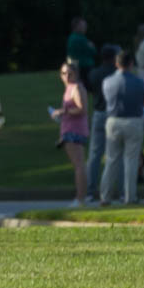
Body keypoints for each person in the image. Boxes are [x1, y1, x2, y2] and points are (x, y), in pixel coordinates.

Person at [98, 50, 144, 205]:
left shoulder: (107, 81)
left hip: (113, 121)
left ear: (116, 63)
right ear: (131, 64)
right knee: (131, 161)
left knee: (111, 160)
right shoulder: (139, 82)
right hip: (133, 120)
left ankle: (105, 197)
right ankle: (130, 197)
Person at [85, 44, 120, 198]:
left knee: (94, 155)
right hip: (114, 114)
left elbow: (90, 90)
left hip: (99, 113)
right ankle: (121, 191)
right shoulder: (116, 74)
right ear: (114, 58)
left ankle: (90, 191)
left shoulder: (94, 73)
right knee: (116, 155)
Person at [52, 60, 89, 206]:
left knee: (79, 165)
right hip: (69, 129)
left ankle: (80, 199)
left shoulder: (76, 87)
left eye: (69, 73)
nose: (66, 76)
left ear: (76, 74)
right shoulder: (69, 88)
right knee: (78, 165)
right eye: (63, 73)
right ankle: (81, 197)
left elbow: (82, 109)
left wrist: (63, 111)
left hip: (75, 131)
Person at [66, 16, 96, 83]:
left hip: (75, 65)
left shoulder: (71, 37)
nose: (85, 27)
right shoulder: (80, 39)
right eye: (83, 25)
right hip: (85, 67)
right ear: (76, 26)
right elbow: (92, 51)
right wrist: (92, 47)